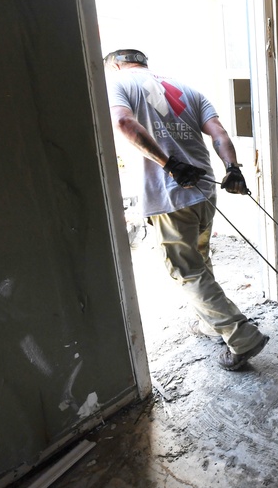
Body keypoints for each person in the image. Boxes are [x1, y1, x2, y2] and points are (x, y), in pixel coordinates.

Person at [103, 49, 268, 371]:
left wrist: (169, 164)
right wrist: (232, 169)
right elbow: (219, 133)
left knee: (186, 270)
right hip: (205, 189)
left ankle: (240, 335)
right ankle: (213, 324)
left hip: (170, 194)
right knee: (200, 260)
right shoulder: (187, 89)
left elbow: (123, 122)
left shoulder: (118, 82)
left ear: (117, 64)